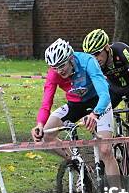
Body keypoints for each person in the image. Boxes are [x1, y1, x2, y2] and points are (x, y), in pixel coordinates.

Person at [31, 38, 120, 184]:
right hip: (75, 104)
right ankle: (80, 166)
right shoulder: (54, 73)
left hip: (98, 103)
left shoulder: (88, 61)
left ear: (71, 58)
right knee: (47, 135)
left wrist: (95, 114)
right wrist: (40, 124)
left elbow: (104, 94)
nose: (60, 70)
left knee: (105, 150)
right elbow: (46, 103)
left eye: (62, 65)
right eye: (55, 67)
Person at [82, 29, 129, 181]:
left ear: (107, 48)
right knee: (98, 122)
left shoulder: (121, 50)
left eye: (97, 53)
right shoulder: (93, 64)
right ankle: (107, 157)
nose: (94, 58)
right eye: (90, 55)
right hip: (113, 90)